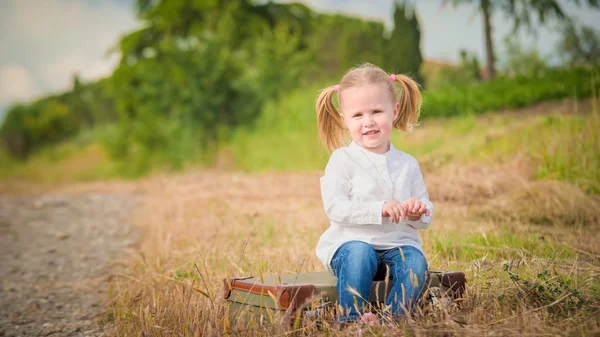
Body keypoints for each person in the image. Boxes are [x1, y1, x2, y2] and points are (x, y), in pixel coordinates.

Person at [315, 63, 433, 322]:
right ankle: (352, 320)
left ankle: (390, 320)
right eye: (357, 115)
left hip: (398, 245)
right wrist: (379, 208)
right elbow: (335, 208)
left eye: (377, 111)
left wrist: (418, 211)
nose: (368, 122)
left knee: (416, 262)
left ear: (395, 111)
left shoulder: (407, 163)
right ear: (345, 119)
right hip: (351, 246)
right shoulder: (342, 160)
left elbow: (425, 214)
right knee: (360, 253)